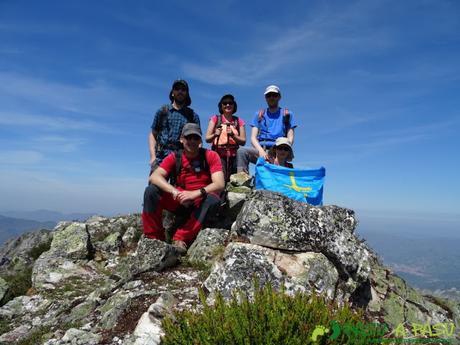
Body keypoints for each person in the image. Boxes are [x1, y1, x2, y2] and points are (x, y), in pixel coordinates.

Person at [142, 123, 225, 253]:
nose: (192, 141)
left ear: (200, 141)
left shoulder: (210, 156)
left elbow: (220, 183)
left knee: (213, 199)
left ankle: (181, 238)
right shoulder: (174, 157)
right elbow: (154, 177)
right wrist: (175, 192)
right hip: (181, 201)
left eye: (195, 138)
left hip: (201, 202)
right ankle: (154, 239)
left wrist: (195, 194)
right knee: (151, 191)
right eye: (188, 137)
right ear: (181, 139)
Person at [236, 85, 297, 173]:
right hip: (261, 149)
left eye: (274, 95)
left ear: (279, 97)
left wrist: (281, 152)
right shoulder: (259, 114)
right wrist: (261, 151)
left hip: (279, 149)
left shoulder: (287, 114)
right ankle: (241, 180)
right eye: (269, 95)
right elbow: (253, 138)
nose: (271, 97)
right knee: (242, 151)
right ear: (265, 98)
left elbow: (290, 138)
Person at [148, 79, 200, 172]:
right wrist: (153, 157)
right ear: (172, 93)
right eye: (177, 89)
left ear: (187, 94)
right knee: (154, 186)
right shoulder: (162, 111)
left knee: (179, 186)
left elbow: (198, 140)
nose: (180, 91)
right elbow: (153, 134)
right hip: (161, 157)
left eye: (183, 89)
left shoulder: (192, 115)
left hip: (183, 158)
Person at [205, 94, 246, 181]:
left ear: (234, 105)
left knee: (235, 182)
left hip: (235, 157)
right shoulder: (215, 119)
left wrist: (233, 136)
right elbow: (207, 139)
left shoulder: (239, 121)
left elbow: (243, 141)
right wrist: (215, 134)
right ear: (221, 106)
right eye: (225, 103)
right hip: (218, 155)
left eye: (230, 103)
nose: (228, 105)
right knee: (220, 181)